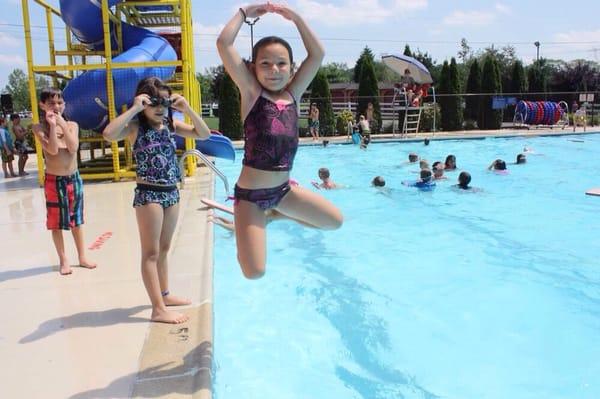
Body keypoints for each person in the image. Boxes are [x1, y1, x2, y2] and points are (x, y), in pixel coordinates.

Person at [217, 3, 343, 279]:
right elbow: (224, 43)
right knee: (254, 272)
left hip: (283, 192)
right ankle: (246, 227)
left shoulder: (293, 94)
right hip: (250, 197)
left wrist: (295, 17)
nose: (274, 69)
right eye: (265, 63)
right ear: (252, 68)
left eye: (281, 63)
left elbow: (317, 53)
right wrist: (244, 13)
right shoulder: (251, 93)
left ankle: (274, 215)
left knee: (334, 222)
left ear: (291, 67)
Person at [103, 77, 211, 324]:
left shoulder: (171, 125)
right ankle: (158, 309)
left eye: (164, 102)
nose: (160, 108)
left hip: (171, 192)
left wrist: (187, 108)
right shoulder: (135, 128)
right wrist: (134, 108)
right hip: (149, 194)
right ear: (143, 103)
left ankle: (165, 294)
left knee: (164, 249)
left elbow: (203, 134)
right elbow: (109, 134)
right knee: (150, 253)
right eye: (153, 103)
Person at [31, 87, 96, 275]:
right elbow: (51, 150)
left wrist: (61, 122)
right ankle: (63, 259)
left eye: (60, 103)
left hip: (73, 178)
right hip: (54, 180)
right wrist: (52, 126)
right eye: (51, 103)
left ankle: (82, 256)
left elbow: (73, 146)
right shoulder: (39, 127)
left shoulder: (72, 125)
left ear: (65, 104)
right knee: (56, 222)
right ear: (43, 105)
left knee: (77, 219)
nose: (56, 106)